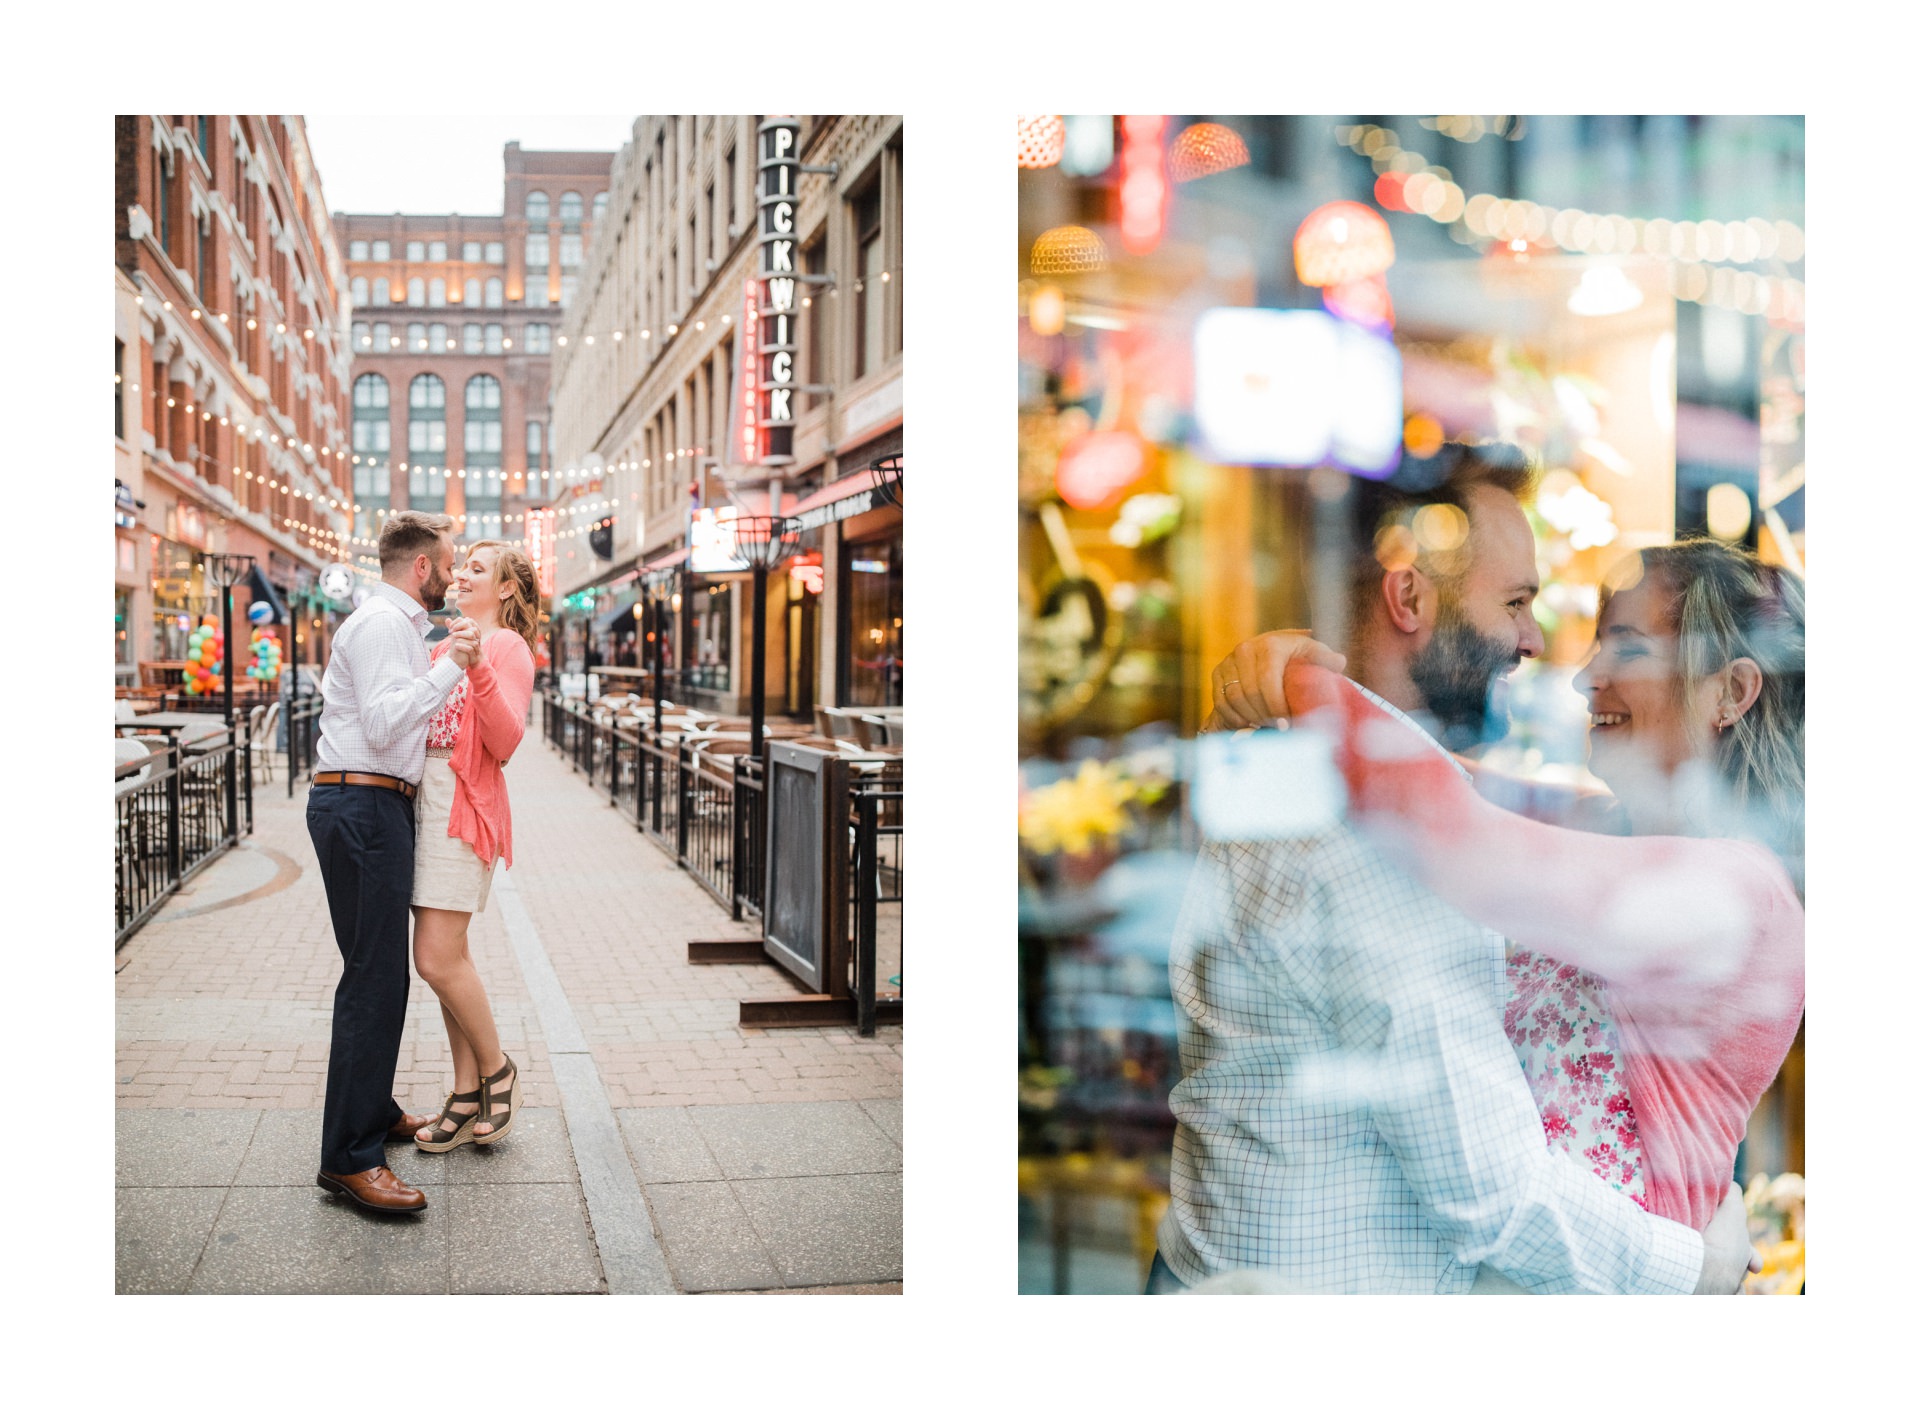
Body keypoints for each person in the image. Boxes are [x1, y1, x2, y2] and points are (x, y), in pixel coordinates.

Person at [1151, 444, 1758, 1293]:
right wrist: (1694, 1271)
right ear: (1410, 596)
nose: (1534, 641)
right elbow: (1489, 1185)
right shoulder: (1375, 828)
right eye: (1514, 602)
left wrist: (1286, 678)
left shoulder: (1341, 774)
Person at [1217, 536, 1805, 1239]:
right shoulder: (1604, 828)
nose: (1585, 678)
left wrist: (1303, 683)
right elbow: (1438, 779)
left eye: (1627, 646)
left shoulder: (1741, 891)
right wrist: (1311, 668)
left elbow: (1457, 831)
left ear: (1732, 691)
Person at [309, 511, 481, 1213]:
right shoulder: (384, 626)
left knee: (376, 972)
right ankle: (350, 1159)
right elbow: (383, 722)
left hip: (370, 806)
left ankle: (372, 1115)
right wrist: (452, 667)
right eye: (448, 561)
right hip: (362, 807)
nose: (453, 571)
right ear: (421, 567)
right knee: (374, 980)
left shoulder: (397, 625)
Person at [409, 541, 539, 1152]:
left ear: (507, 588)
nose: (461, 575)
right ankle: (464, 1093)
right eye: (462, 566)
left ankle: (497, 1070)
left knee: (435, 958)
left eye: (478, 569)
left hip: (463, 808)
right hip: (422, 805)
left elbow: (507, 739)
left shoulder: (508, 647)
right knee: (447, 962)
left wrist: (477, 662)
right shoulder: (441, 644)